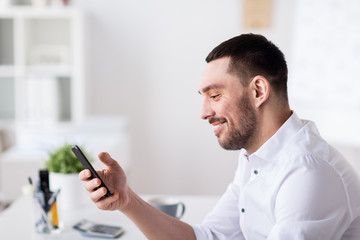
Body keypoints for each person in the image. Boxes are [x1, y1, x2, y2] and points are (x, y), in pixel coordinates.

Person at [79, 33, 360, 239]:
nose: (203, 112)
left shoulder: (308, 172)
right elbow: (208, 236)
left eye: (215, 95)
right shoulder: (256, 157)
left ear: (259, 91)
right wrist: (126, 201)